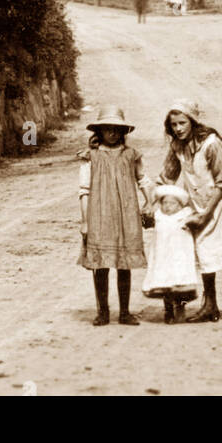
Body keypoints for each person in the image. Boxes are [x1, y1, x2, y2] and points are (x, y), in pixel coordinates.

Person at [159, 99, 222, 325]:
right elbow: (167, 177)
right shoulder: (177, 146)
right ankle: (210, 304)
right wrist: (155, 203)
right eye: (173, 125)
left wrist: (206, 213)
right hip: (202, 202)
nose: (178, 128)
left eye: (182, 123)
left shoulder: (210, 144)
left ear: (192, 122)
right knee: (204, 250)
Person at [78, 105, 148, 325]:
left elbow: (143, 179)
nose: (112, 133)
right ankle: (103, 311)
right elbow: (84, 191)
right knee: (101, 264)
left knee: (123, 262)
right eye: (107, 128)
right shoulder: (91, 157)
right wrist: (85, 221)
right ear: (99, 131)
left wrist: (151, 201)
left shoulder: (131, 155)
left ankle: (125, 312)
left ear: (124, 131)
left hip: (126, 214)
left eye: (117, 128)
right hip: (99, 215)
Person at [142, 183, 199, 323]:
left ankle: (180, 306)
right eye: (165, 203)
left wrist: (191, 221)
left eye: (172, 203)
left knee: (180, 284)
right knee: (165, 285)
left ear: (179, 205)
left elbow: (196, 221)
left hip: (180, 257)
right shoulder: (159, 216)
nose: (168, 206)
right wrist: (146, 213)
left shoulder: (184, 215)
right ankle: (168, 311)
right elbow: (146, 223)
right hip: (163, 257)